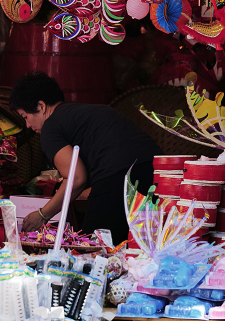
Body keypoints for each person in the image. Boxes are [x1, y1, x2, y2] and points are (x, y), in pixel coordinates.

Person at [11, 71, 161, 244]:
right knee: (142, 248)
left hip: (119, 179)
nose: (28, 126)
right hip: (156, 174)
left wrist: (43, 214)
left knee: (96, 251)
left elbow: (76, 177)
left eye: (26, 117)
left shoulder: (51, 126)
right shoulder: (87, 112)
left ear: (41, 106)